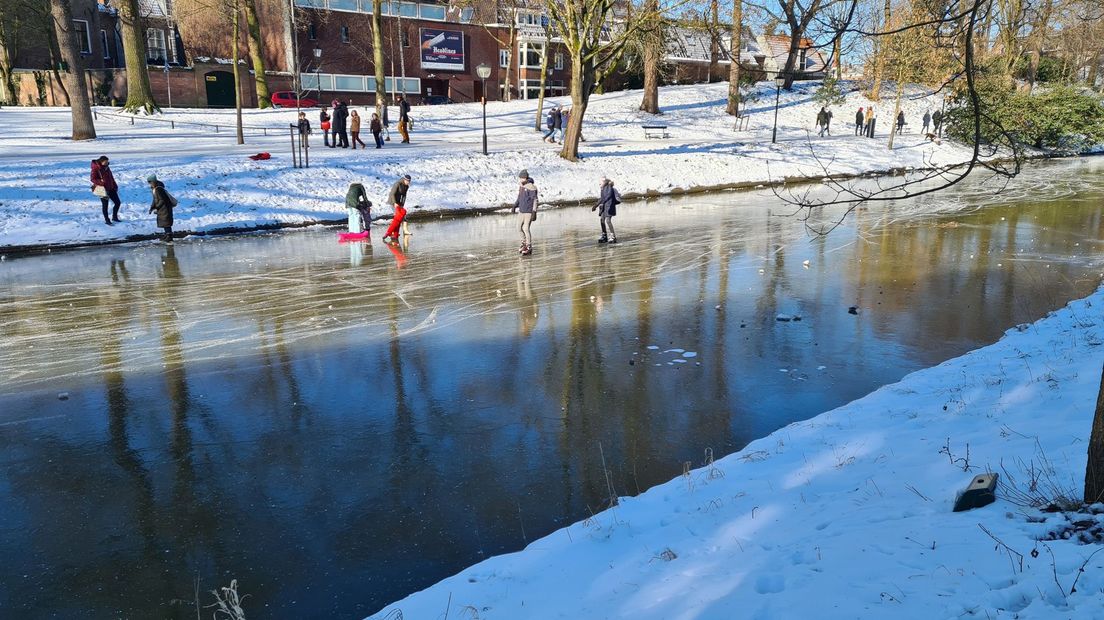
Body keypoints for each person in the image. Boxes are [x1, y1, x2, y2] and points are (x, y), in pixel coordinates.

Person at [511, 169, 538, 256]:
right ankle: (524, 243)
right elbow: (519, 197)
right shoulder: (521, 186)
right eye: (520, 178)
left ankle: (529, 246)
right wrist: (515, 206)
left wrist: (534, 211)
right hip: (521, 211)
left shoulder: (531, 187)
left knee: (526, 228)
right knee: (518, 228)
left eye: (522, 178)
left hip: (528, 212)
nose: (520, 180)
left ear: (525, 178)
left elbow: (535, 200)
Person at [90, 155, 122, 225]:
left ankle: (114, 217)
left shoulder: (107, 167)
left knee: (118, 203)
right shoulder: (96, 168)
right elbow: (92, 179)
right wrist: (101, 182)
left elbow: (111, 177)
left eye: (107, 162)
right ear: (101, 162)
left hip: (111, 188)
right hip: (103, 190)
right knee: (105, 206)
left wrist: (115, 185)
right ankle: (107, 220)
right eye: (105, 162)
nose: (107, 163)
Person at [146, 173, 175, 241]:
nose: (149, 184)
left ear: (153, 181)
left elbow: (162, 200)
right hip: (162, 208)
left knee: (166, 222)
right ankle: (166, 235)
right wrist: (152, 207)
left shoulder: (159, 189)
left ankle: (169, 236)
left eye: (150, 182)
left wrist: (157, 207)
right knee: (164, 222)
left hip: (165, 208)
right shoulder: (154, 189)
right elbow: (155, 199)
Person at [382, 174, 411, 244]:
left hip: (398, 203)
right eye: (407, 181)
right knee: (397, 218)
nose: (408, 182)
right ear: (404, 180)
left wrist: (402, 204)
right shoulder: (397, 184)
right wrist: (395, 203)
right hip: (393, 201)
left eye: (409, 181)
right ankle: (392, 233)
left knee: (398, 218)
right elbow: (392, 194)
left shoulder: (406, 186)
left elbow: (404, 196)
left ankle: (395, 234)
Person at [592, 177, 621, 244]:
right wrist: (596, 205)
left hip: (609, 207)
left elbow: (606, 197)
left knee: (608, 220)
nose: (599, 184)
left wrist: (597, 205)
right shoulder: (603, 189)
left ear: (604, 182)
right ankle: (604, 235)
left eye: (600, 183)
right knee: (602, 220)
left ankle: (613, 236)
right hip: (603, 207)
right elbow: (601, 198)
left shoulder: (609, 188)